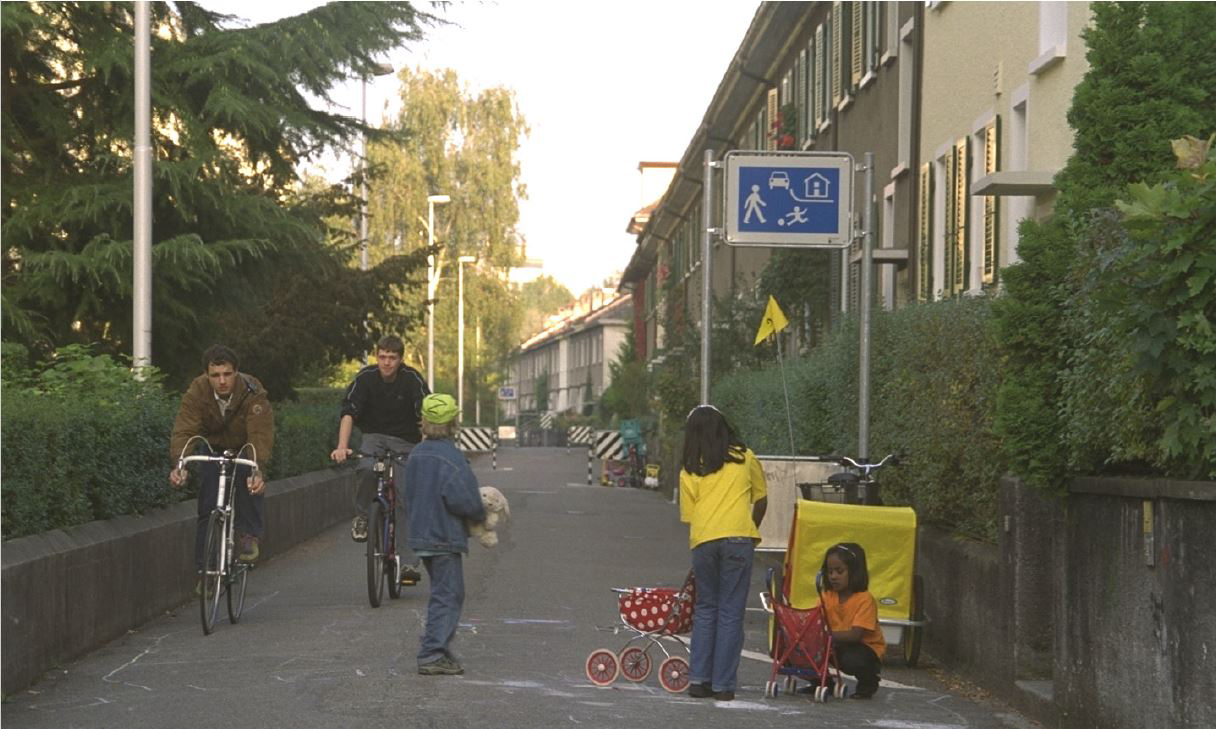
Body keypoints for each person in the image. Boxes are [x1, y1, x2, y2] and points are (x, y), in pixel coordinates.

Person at [678, 404, 768, 701]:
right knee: (730, 612)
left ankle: (699, 681)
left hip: (704, 541)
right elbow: (761, 498)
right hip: (739, 539)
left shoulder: (691, 468)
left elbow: (692, 516)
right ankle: (723, 686)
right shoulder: (745, 457)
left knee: (706, 609)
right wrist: (748, 529)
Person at [330, 335, 429, 584]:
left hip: (406, 441)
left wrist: (426, 447)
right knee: (365, 468)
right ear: (377, 356)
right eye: (382, 357)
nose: (386, 363)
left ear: (400, 359)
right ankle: (364, 516)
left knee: (406, 497)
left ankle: (408, 564)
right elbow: (349, 413)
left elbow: (425, 415)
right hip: (373, 438)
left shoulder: (412, 379)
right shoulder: (365, 378)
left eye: (392, 358)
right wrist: (342, 446)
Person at [169, 344, 274, 574]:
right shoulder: (197, 391)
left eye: (227, 374)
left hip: (244, 444)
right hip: (213, 446)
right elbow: (185, 430)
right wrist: (180, 463)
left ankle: (248, 536)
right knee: (207, 503)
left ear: (236, 372)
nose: (222, 381)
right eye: (215, 376)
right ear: (207, 375)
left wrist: (258, 469)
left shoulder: (252, 391)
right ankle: (205, 570)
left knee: (249, 476)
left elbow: (260, 433)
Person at [403, 393, 486, 676]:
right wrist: (480, 515)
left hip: (421, 534)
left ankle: (435, 646)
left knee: (443, 592)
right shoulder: (453, 458)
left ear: (424, 422)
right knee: (448, 594)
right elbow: (466, 500)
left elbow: (408, 494)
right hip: (444, 535)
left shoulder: (416, 454)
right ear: (453, 423)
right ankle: (432, 653)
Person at [816, 542, 885, 699]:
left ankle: (868, 682)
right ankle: (822, 682)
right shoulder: (827, 596)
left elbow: (855, 635)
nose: (833, 576)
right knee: (801, 652)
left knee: (852, 660)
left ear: (854, 572)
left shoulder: (864, 599)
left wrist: (824, 634)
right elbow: (814, 619)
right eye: (830, 571)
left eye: (839, 571)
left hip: (862, 647)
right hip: (834, 643)